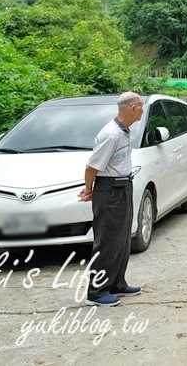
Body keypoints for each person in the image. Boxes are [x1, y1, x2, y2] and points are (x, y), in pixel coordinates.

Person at [78, 92, 144, 307]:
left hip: (123, 187)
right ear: (133, 108)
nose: (143, 111)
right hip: (110, 190)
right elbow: (92, 167)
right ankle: (96, 292)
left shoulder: (124, 132)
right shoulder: (112, 134)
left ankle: (116, 283)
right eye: (141, 107)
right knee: (106, 241)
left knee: (122, 239)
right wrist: (89, 190)